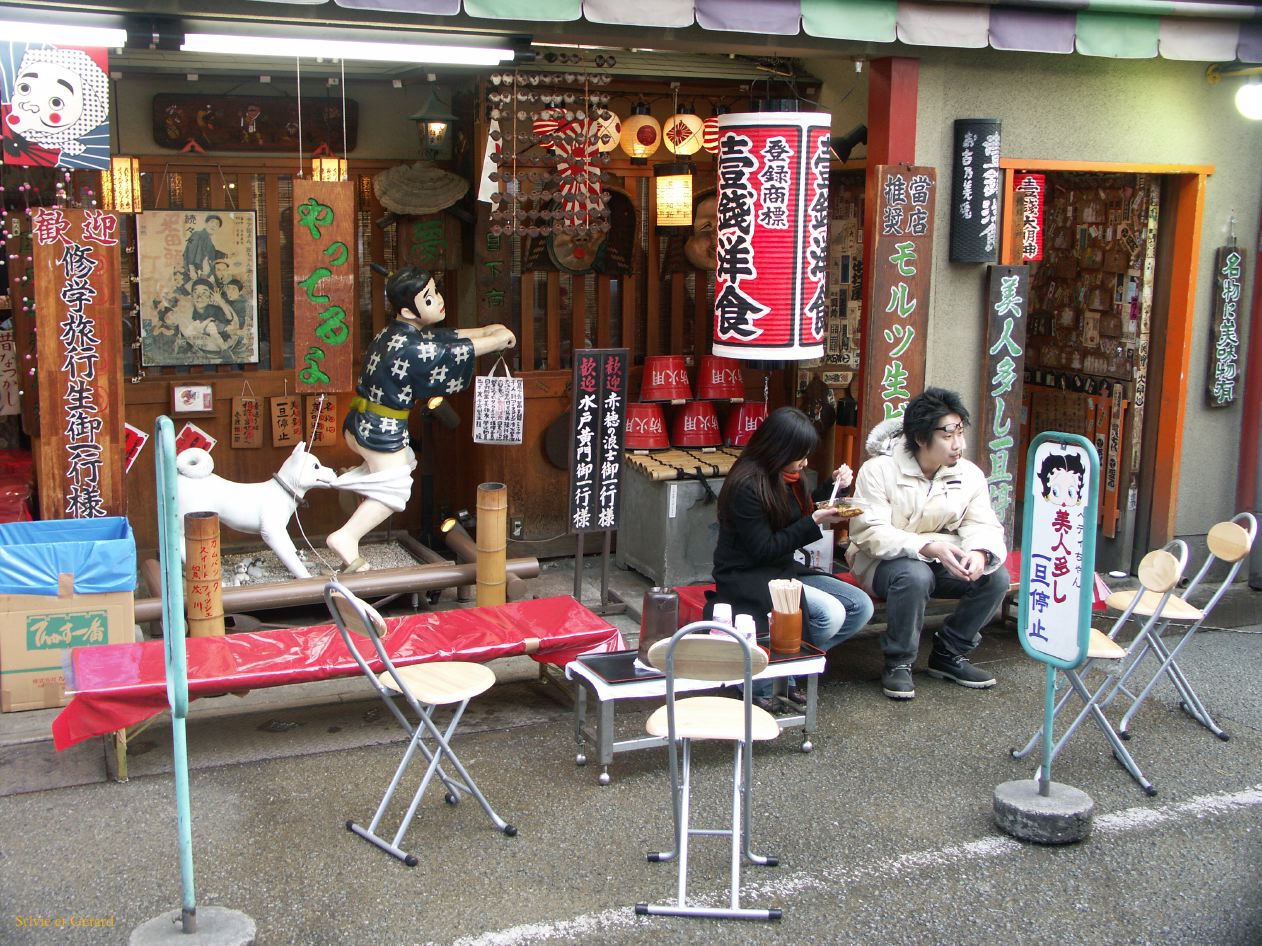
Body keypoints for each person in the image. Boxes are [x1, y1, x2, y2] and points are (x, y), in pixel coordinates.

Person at [327, 266, 516, 573]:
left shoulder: (395, 332)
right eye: (429, 298)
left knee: (406, 461)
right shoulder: (411, 348)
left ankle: (356, 480)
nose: (439, 300)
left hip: (364, 423)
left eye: (436, 292)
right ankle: (346, 536)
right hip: (379, 430)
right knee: (398, 490)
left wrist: (485, 331)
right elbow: (447, 353)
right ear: (407, 310)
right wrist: (494, 340)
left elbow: (443, 340)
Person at [846, 387, 1009, 700]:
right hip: (880, 562)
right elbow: (869, 531)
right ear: (921, 438)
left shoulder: (969, 475)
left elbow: (982, 523)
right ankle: (899, 661)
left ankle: (950, 653)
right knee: (914, 575)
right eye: (948, 434)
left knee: (994, 576)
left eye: (960, 431)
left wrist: (979, 552)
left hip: (943, 557)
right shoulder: (879, 470)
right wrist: (926, 547)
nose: (958, 443)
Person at [710, 406, 873, 709]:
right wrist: (815, 522)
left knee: (859, 606)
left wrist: (834, 487)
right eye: (801, 454)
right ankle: (775, 675)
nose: (806, 461)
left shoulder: (788, 476)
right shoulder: (747, 485)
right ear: (779, 448)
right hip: (748, 574)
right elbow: (764, 548)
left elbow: (800, 513)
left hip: (782, 568)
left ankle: (788, 670)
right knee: (830, 614)